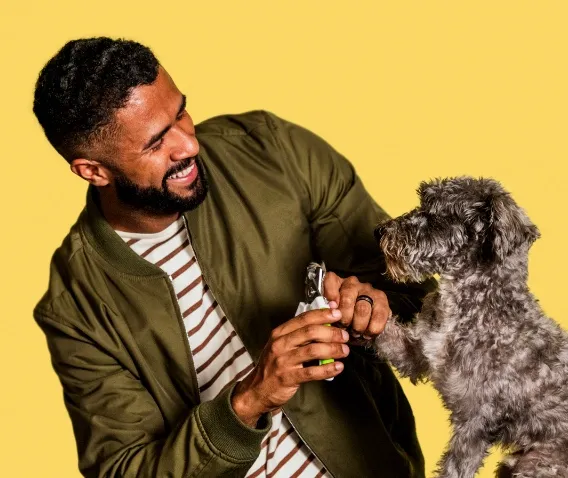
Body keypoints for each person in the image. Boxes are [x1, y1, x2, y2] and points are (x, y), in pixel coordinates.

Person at [32, 37, 434, 478]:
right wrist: (251, 399)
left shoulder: (271, 150)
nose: (188, 145)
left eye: (181, 112)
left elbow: (414, 288)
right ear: (93, 171)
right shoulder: (75, 307)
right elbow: (126, 469)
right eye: (155, 143)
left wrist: (372, 306)